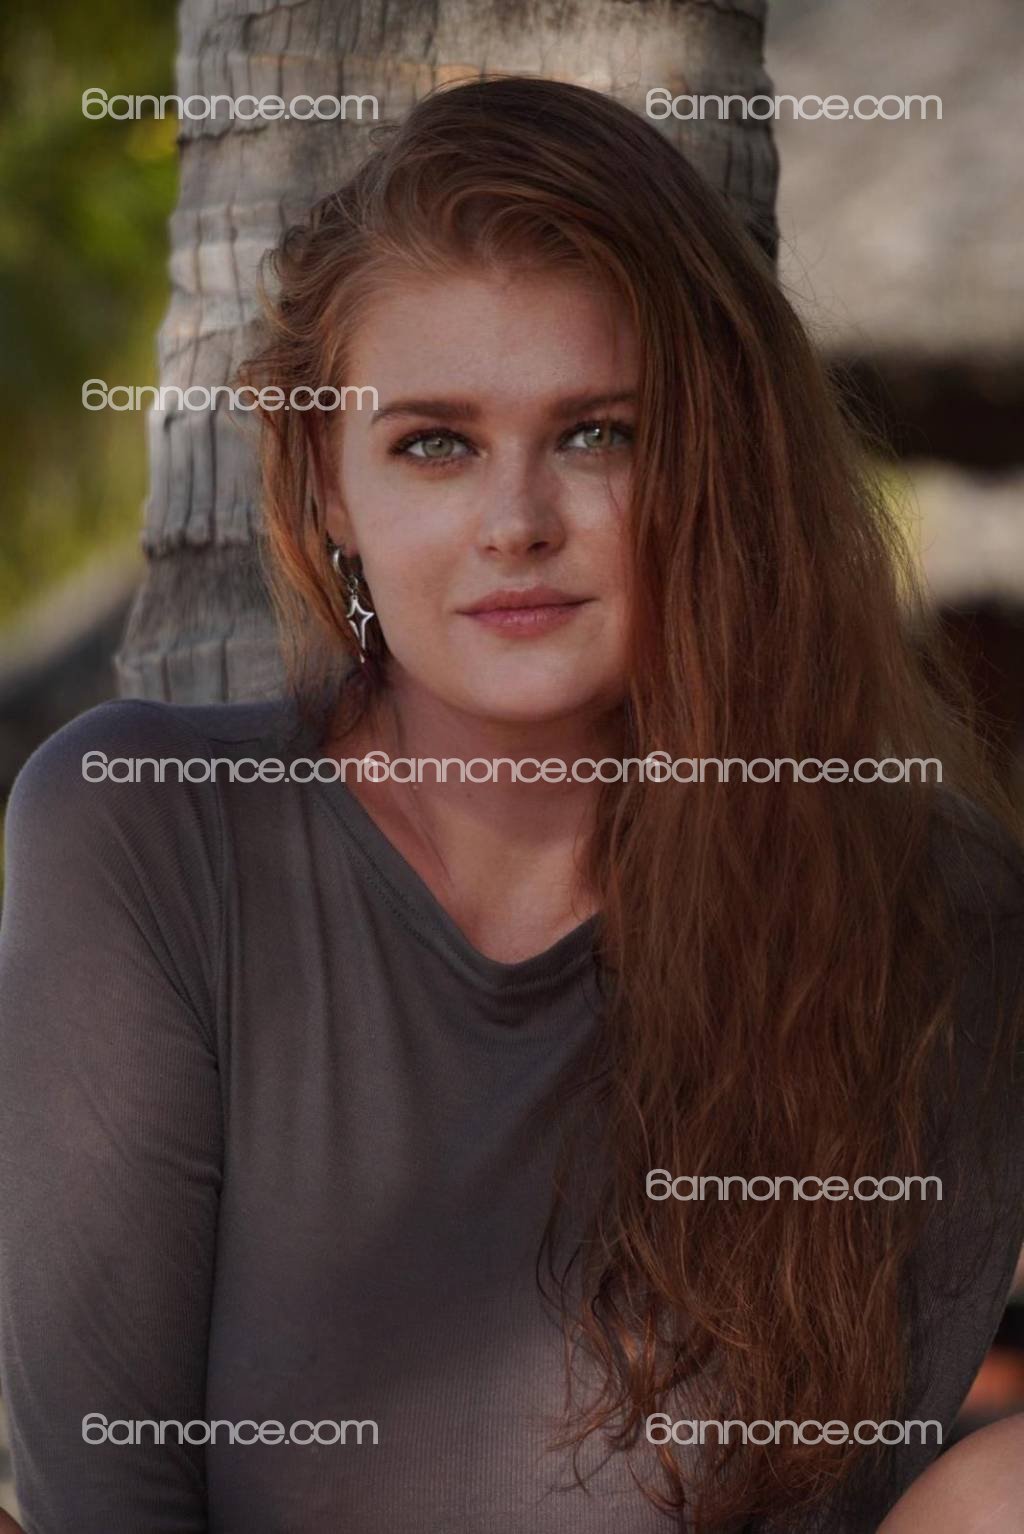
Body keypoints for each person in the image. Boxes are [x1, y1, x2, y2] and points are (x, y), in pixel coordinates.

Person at [1, 75, 1023, 1534]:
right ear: (327, 484)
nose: (517, 523)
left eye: (599, 433)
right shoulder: (150, 830)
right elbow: (104, 1497)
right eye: (435, 441)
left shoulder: (936, 917)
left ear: (715, 465)